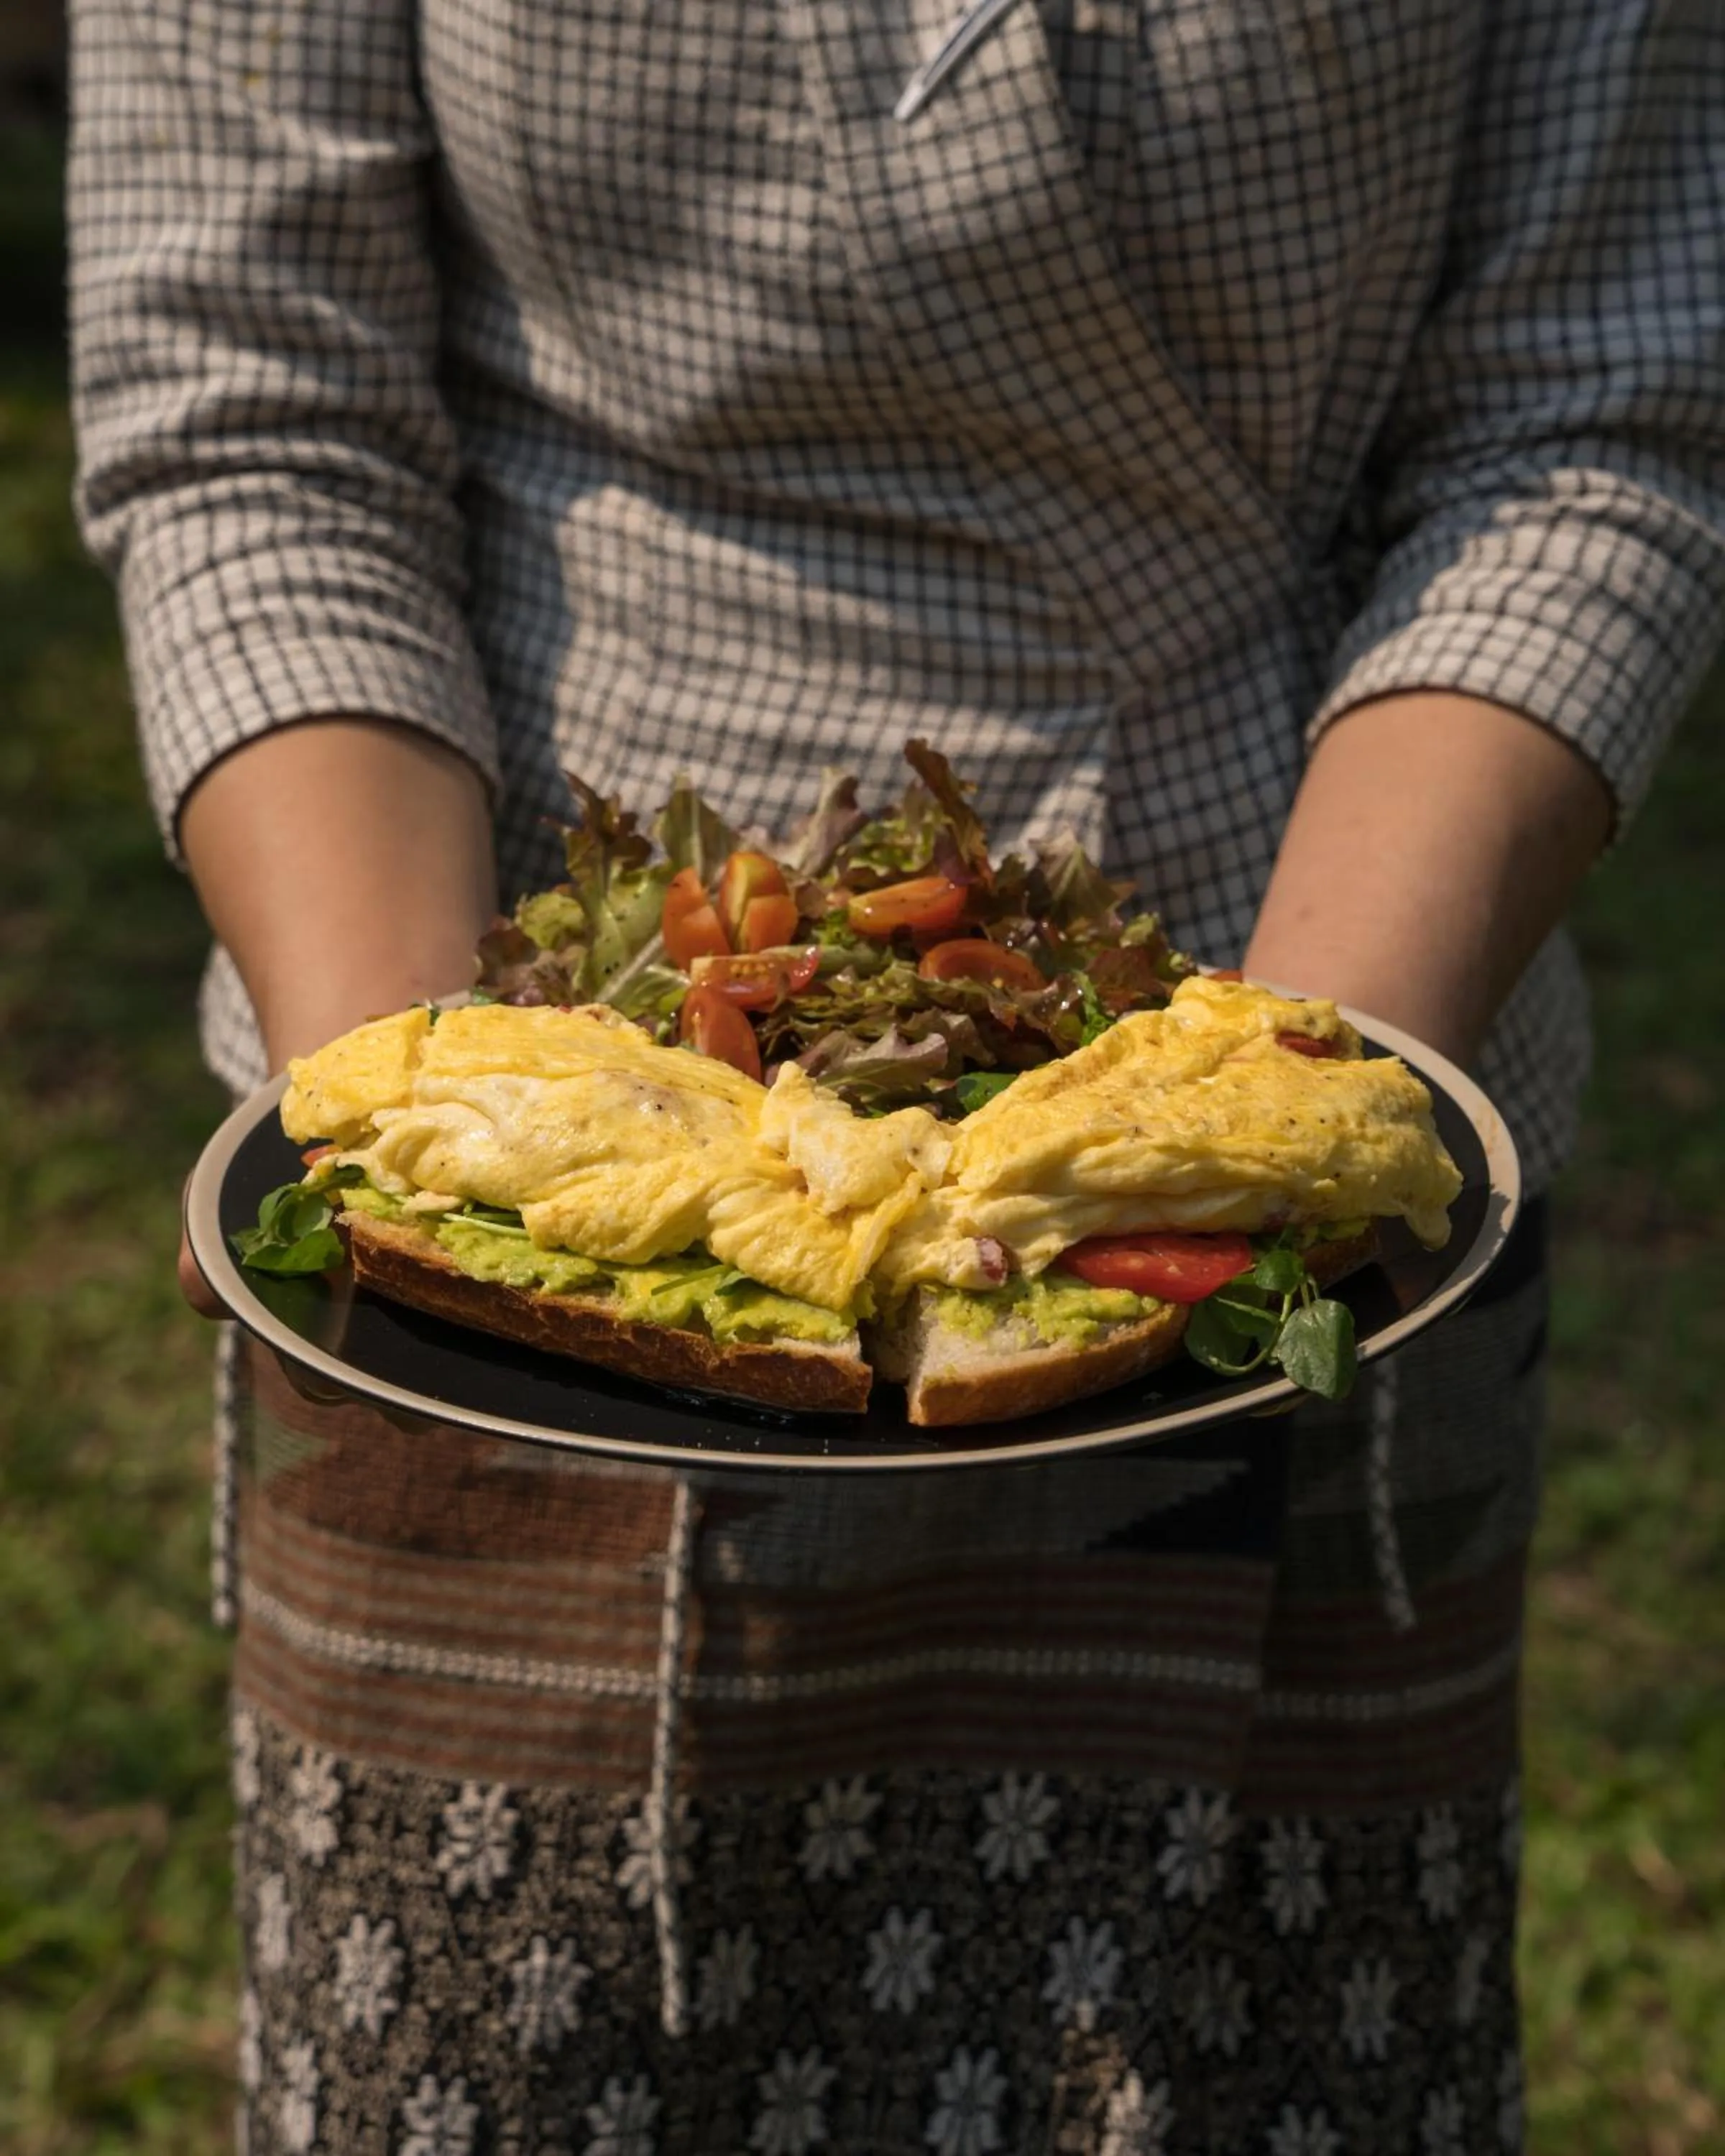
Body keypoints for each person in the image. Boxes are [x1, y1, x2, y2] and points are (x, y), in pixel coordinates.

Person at [68, 1, 1723, 2150]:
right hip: (477, 968)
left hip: (1328, 951)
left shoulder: (1286, 1121)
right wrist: (439, 1128)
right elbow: (250, 409)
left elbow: (1593, 420)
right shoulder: (455, 1133)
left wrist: (1249, 1135)